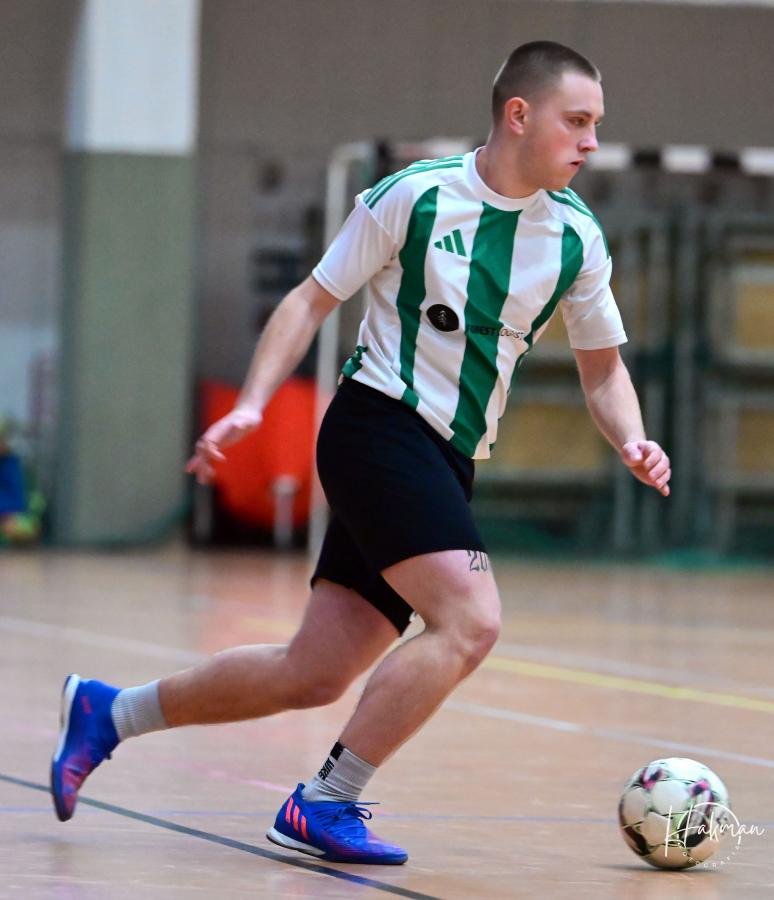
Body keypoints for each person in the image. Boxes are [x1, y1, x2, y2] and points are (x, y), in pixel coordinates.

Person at [50, 41, 671, 865]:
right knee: (471, 622)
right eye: (579, 121)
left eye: (596, 124)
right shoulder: (415, 197)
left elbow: (604, 370)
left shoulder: (577, 239)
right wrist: (252, 404)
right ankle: (325, 801)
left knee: (312, 672)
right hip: (378, 426)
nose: (592, 142)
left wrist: (631, 435)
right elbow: (310, 301)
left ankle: (109, 712)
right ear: (520, 115)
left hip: (448, 456)